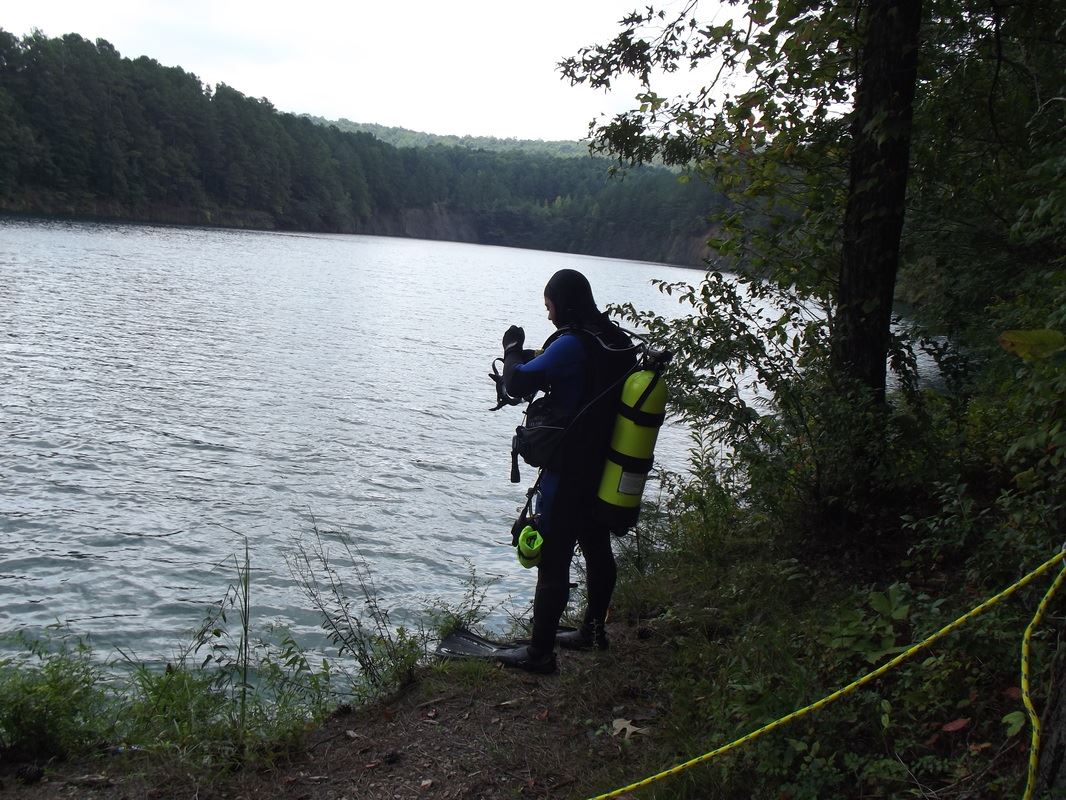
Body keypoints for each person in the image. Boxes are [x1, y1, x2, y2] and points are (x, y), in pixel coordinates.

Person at [494, 269, 636, 674]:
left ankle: (539, 655)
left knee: (553, 559)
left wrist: (512, 349)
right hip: (605, 464)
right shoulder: (613, 340)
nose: (549, 315)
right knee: (596, 547)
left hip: (570, 467)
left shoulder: (573, 343)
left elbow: (518, 383)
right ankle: (592, 631)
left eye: (549, 305)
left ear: (562, 303)